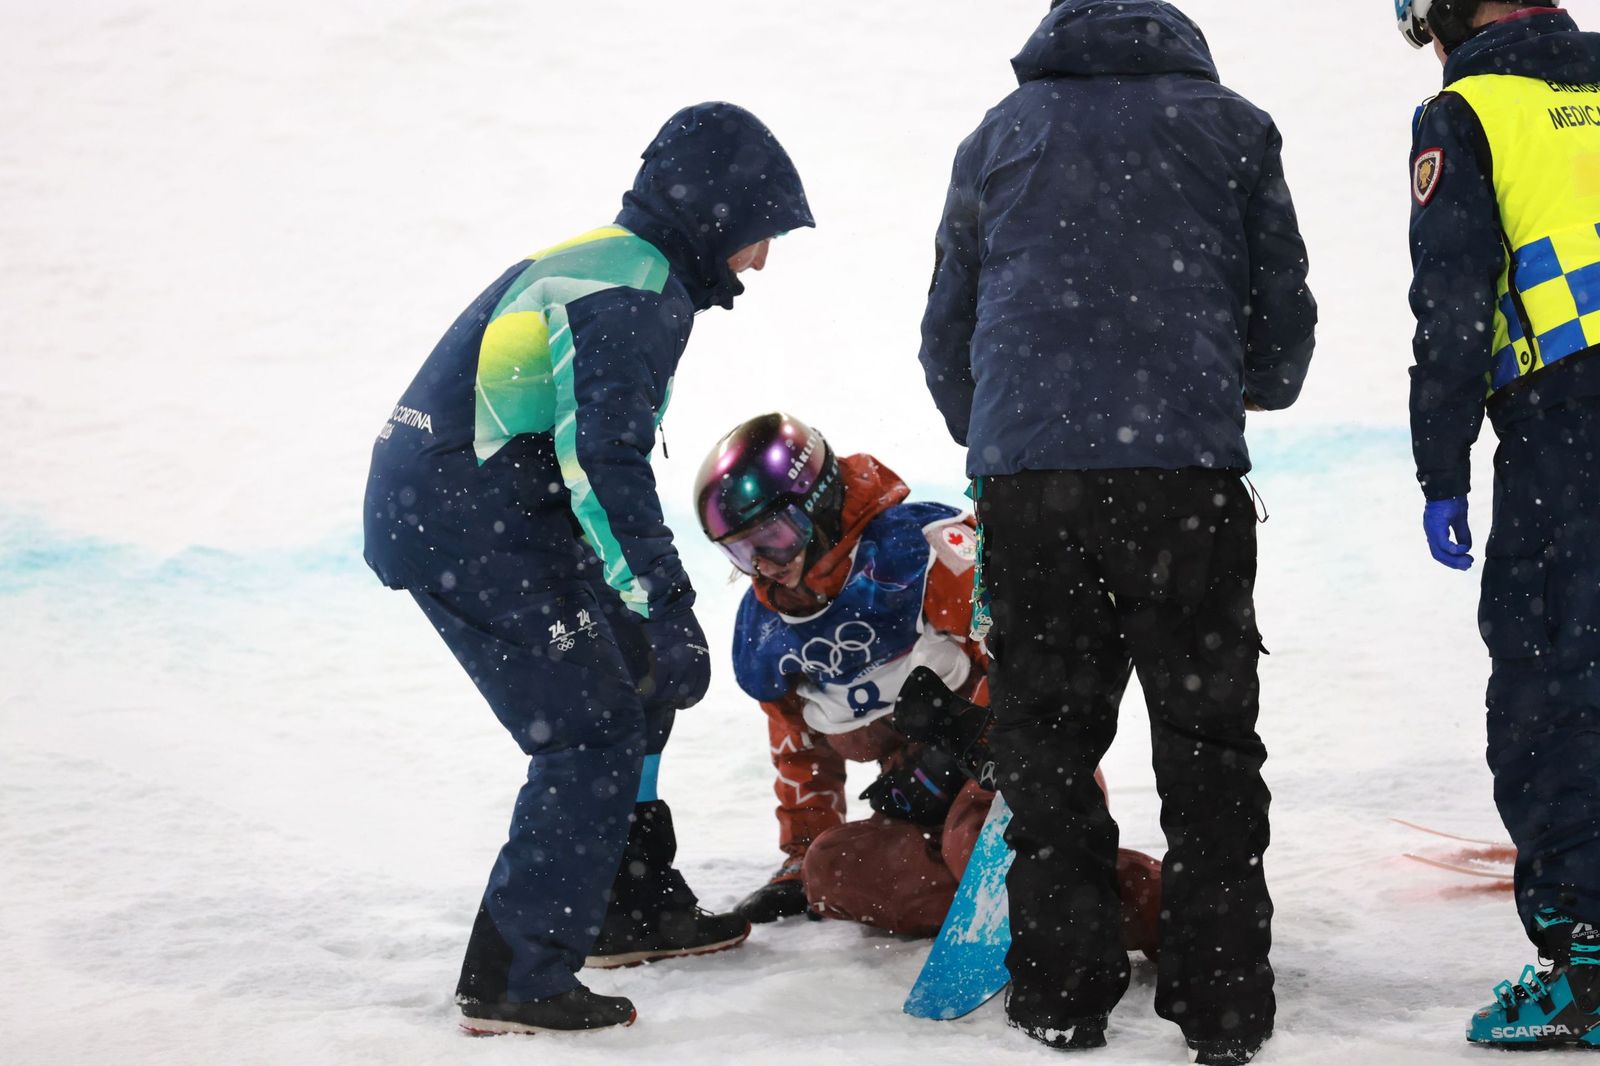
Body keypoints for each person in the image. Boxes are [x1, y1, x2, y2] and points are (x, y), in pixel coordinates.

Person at [916, 1, 1317, 1061]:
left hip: (1032, 483)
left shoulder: (1000, 134)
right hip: (1181, 484)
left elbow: (945, 330)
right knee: (1208, 748)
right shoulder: (1232, 125)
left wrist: (1005, 430)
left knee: (1045, 745)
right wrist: (1223, 393)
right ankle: (1224, 1003)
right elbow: (1285, 323)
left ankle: (1060, 990)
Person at [360, 102, 813, 1036]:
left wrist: (644, 618)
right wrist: (668, 603)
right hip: (466, 521)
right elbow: (604, 461)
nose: (761, 261)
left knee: (633, 683)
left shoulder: (620, 264)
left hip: (477, 505)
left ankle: (621, 901)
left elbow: (586, 455)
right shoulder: (634, 294)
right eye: (760, 232)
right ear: (719, 214)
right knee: (591, 728)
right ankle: (516, 977)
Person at [693, 412, 1163, 948]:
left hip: (1017, 774)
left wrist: (957, 755)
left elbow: (1031, 668)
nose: (764, 566)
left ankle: (1170, 913)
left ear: (818, 502)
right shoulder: (770, 634)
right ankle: (1017, 907)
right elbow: (799, 746)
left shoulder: (924, 551)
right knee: (832, 869)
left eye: (773, 538)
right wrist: (802, 850)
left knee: (978, 842)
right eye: (742, 551)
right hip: (921, 818)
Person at [1397, 0, 1600, 1050]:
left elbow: (1454, 305)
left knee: (1556, 685)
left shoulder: (1467, 109)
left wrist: (1441, 470)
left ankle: (1586, 958)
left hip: (1569, 427)